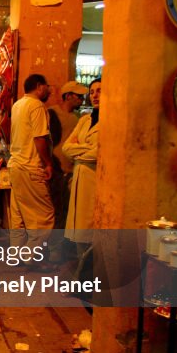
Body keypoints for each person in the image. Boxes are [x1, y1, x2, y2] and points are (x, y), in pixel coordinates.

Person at [8, 74, 55, 269]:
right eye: (47, 86)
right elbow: (39, 138)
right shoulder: (37, 106)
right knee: (44, 217)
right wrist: (48, 163)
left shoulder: (17, 105)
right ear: (39, 87)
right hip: (30, 166)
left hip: (16, 165)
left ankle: (17, 254)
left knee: (19, 216)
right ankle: (29, 257)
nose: (50, 90)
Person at [63, 79, 101, 257]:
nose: (95, 95)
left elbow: (100, 153)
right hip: (79, 175)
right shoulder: (85, 120)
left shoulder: (112, 120)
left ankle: (89, 274)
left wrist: (78, 150)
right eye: (92, 92)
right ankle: (81, 271)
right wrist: (87, 149)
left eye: (99, 91)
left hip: (94, 179)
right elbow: (66, 148)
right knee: (78, 229)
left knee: (89, 228)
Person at [47, 81, 87, 229]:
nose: (82, 99)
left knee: (68, 212)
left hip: (71, 172)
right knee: (57, 211)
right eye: (79, 96)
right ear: (68, 96)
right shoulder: (52, 113)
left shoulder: (78, 118)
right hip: (57, 170)